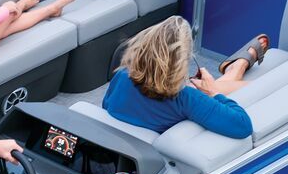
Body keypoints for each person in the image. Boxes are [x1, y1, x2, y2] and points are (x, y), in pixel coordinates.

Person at [102, 16, 264, 138]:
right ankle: (237, 67)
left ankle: (235, 68)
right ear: (181, 62)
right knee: (219, 87)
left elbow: (106, 106)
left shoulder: (122, 76)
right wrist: (214, 92)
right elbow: (243, 126)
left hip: (119, 153)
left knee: (198, 88)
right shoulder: (187, 99)